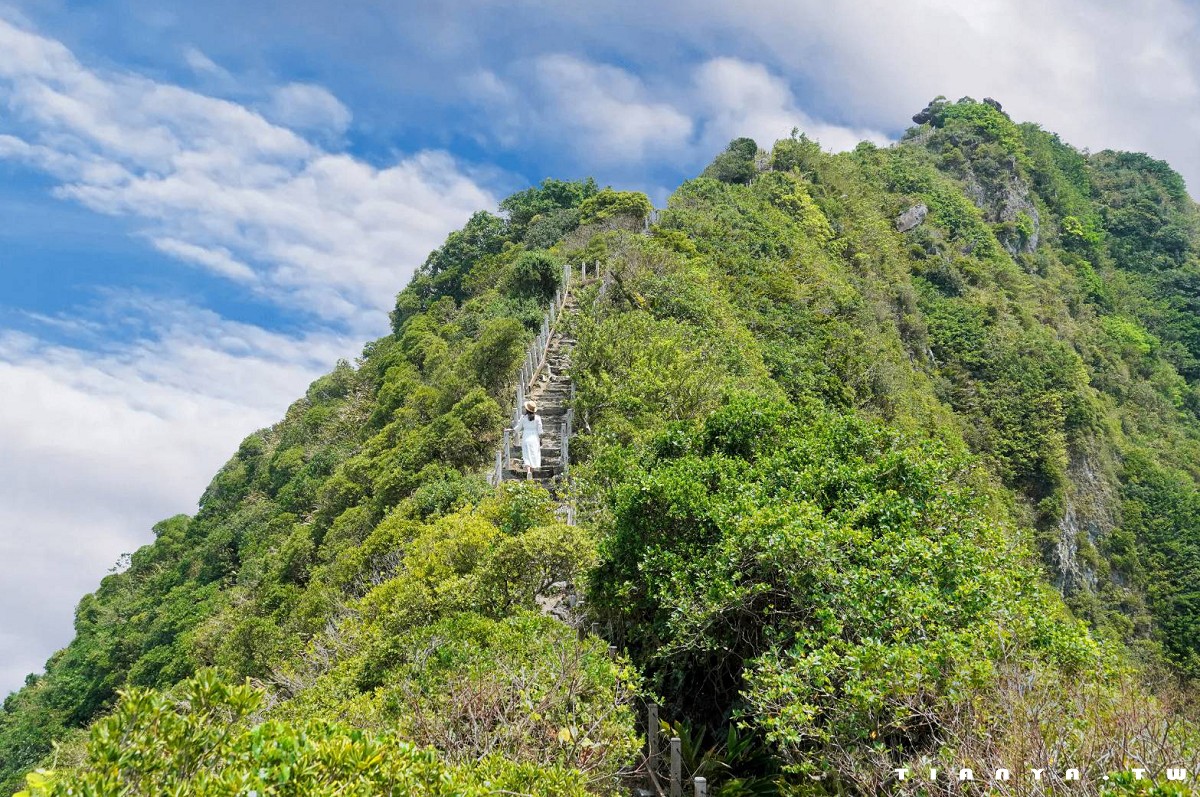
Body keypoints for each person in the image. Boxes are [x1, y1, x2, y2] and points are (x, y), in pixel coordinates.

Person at [516, 399, 543, 480]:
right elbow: (540, 431)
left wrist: (511, 430)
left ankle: (528, 471)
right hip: (534, 438)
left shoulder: (523, 418)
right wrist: (541, 440)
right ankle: (532, 472)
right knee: (534, 454)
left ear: (526, 409)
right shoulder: (538, 418)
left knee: (526, 455)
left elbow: (518, 428)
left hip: (526, 437)